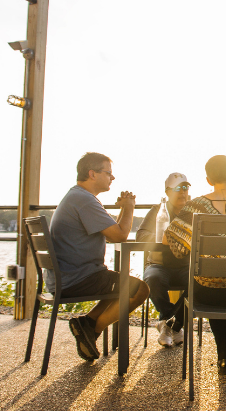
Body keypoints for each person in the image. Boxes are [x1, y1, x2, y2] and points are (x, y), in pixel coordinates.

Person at [164, 155, 226, 374]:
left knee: (209, 281)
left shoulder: (195, 206)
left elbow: (173, 241)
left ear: (209, 180)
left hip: (212, 294)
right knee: (220, 279)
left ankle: (225, 356)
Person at [46, 152, 150, 361]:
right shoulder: (84, 201)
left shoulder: (78, 197)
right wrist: (130, 207)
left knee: (121, 286)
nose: (113, 178)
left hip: (68, 277)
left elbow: (112, 234)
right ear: (92, 174)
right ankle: (91, 329)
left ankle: (87, 323)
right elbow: (120, 235)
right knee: (140, 290)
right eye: (108, 173)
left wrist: (123, 211)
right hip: (77, 279)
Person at [136, 173, 191, 347]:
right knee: (153, 280)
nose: (182, 192)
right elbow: (141, 235)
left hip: (184, 266)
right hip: (158, 265)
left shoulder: (191, 212)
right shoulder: (158, 210)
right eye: (177, 189)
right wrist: (163, 236)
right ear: (167, 191)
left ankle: (167, 324)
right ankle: (175, 324)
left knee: (200, 280)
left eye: (185, 188)